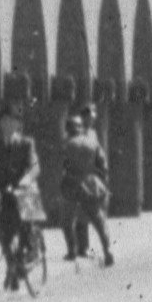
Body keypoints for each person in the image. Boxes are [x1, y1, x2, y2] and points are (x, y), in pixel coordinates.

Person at [0, 105, 42, 288]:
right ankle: (12, 266)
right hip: (5, 191)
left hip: (24, 189)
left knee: (25, 223)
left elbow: (34, 167)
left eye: (10, 122)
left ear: (17, 125)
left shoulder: (26, 143)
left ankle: (29, 253)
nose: (6, 126)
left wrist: (25, 181)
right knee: (1, 227)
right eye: (3, 122)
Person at [57, 107, 114, 266]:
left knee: (67, 220)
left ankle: (72, 251)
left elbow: (61, 165)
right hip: (90, 183)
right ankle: (107, 250)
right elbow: (102, 163)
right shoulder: (92, 142)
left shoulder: (67, 144)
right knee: (98, 220)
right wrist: (102, 180)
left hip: (71, 184)